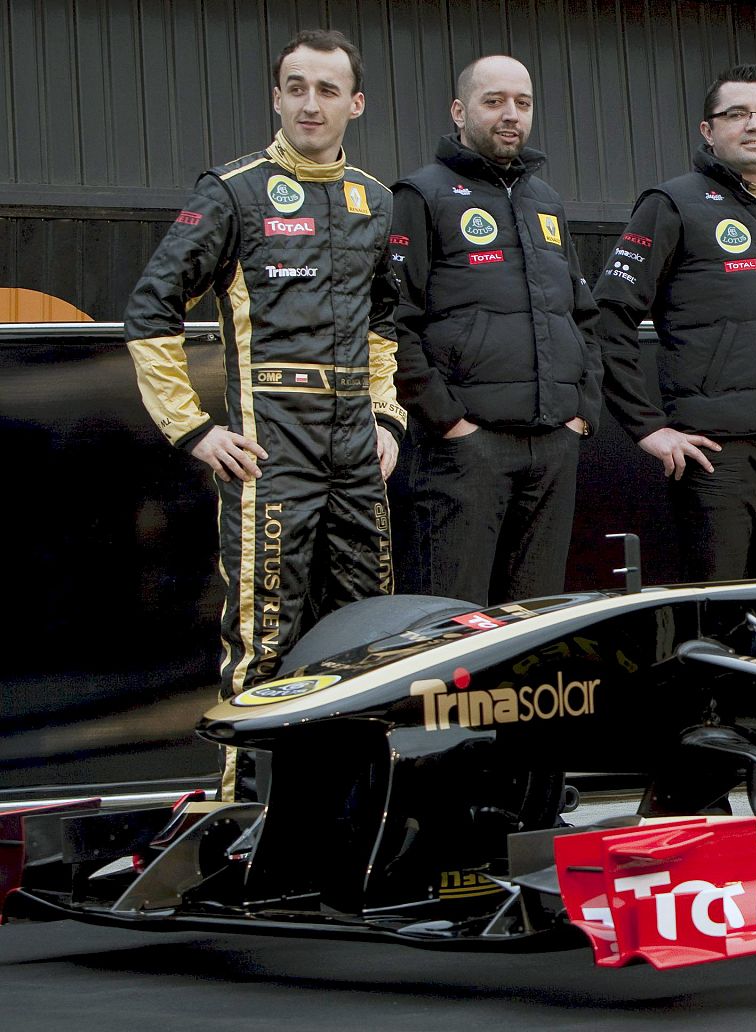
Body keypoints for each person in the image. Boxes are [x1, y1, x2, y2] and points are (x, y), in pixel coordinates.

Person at [125, 29, 405, 709]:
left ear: (356, 103)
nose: (312, 104)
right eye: (297, 88)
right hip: (271, 455)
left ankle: (356, 804)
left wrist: (386, 418)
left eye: (328, 90)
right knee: (264, 639)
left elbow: (381, 324)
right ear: (277, 98)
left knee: (373, 637)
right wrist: (191, 431)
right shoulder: (232, 191)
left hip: (356, 456)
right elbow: (150, 305)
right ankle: (248, 799)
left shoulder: (375, 200)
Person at [593, 64, 756, 582]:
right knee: (718, 612)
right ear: (708, 131)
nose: (754, 125)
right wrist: (648, 428)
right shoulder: (672, 204)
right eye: (736, 114)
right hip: (718, 455)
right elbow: (608, 314)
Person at [388, 56, 600, 605]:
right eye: (494, 101)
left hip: (553, 444)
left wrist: (582, 411)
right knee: (449, 626)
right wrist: (449, 421)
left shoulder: (545, 201)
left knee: (533, 622)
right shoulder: (421, 195)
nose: (511, 115)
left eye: (522, 103)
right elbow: (393, 318)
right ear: (459, 111)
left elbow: (580, 313)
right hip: (465, 451)